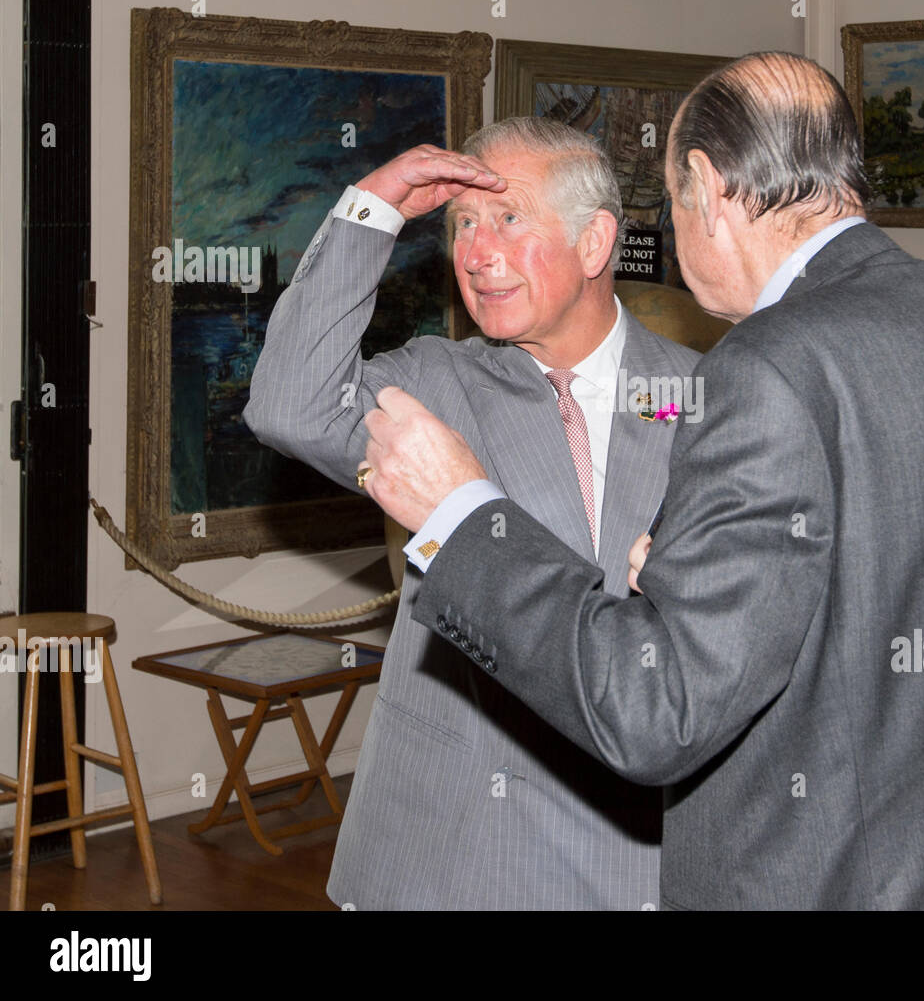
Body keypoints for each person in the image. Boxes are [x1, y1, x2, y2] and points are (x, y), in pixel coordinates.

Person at [354, 52, 924, 910]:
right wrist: (688, 579)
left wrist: (462, 514)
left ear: (706, 187)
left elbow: (656, 709)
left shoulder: (769, 368)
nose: (672, 232)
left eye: (671, 203)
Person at [243, 117, 701, 909]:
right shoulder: (435, 383)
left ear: (595, 245)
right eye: (462, 225)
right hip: (450, 854)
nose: (477, 253)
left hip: (639, 853)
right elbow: (289, 405)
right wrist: (373, 206)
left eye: (509, 220)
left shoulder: (699, 393)